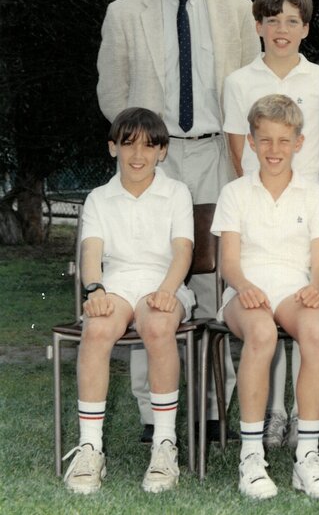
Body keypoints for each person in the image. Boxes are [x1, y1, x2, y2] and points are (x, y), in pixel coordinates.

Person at [96, 0, 257, 442]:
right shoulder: (125, 12)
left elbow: (250, 90)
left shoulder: (237, 9)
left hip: (216, 154)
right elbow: (112, 93)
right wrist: (141, 149)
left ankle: (213, 409)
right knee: (146, 276)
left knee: (213, 280)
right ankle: (151, 413)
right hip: (153, 158)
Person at [222, 0, 319, 449]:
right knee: (262, 322)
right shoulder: (239, 81)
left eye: (293, 20)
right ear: (259, 26)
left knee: (305, 315)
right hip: (255, 215)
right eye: (273, 20)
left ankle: (300, 422)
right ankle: (271, 415)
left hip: (302, 210)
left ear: (306, 28)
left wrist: (300, 186)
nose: (282, 29)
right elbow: (236, 151)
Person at [212, 94, 319, 500]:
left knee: (316, 330)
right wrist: (246, 287)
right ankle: (251, 457)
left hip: (293, 288)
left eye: (284, 141)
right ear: (251, 142)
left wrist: (314, 288)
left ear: (299, 143)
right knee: (263, 334)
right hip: (245, 291)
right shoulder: (235, 192)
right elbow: (228, 262)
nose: (274, 150)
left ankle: (307, 456)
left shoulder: (316, 194)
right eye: (265, 140)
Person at [63, 108, 195, 494]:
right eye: (128, 144)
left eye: (149, 146)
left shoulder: (177, 192)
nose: (138, 155)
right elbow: (91, 253)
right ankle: (90, 448)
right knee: (98, 328)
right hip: (117, 283)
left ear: (163, 152)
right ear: (113, 148)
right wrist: (95, 290)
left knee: (156, 325)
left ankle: (164, 444)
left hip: (165, 282)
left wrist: (167, 291)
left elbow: (183, 252)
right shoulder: (99, 198)